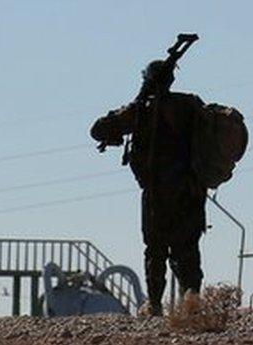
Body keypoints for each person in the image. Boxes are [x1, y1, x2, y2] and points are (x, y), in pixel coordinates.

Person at [90, 60, 206, 316]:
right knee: (188, 247)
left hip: (158, 193)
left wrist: (137, 100)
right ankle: (192, 303)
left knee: (156, 248)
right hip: (191, 190)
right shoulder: (191, 105)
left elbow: (98, 130)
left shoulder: (143, 110)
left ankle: (154, 304)